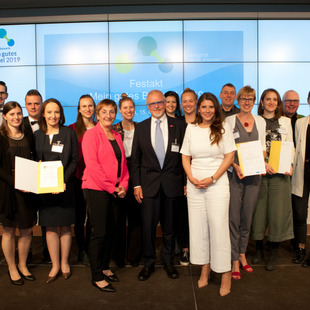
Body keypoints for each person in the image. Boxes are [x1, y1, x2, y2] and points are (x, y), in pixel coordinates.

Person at [181, 92, 235, 296]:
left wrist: (212, 178)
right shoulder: (191, 128)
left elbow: (229, 156)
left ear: (216, 108)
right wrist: (192, 178)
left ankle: (225, 272)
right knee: (198, 228)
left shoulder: (223, 127)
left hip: (217, 183)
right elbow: (185, 157)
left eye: (211, 107)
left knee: (218, 227)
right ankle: (205, 267)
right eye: (203, 107)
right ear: (198, 108)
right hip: (195, 185)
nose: (207, 110)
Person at [131, 90, 186, 281]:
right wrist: (136, 185)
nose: (156, 106)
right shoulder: (141, 128)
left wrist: (186, 182)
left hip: (173, 185)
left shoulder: (179, 125)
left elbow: (186, 157)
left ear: (165, 103)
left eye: (159, 102)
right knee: (148, 227)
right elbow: (135, 160)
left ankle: (169, 262)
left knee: (170, 228)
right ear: (147, 107)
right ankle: (148, 264)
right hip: (148, 187)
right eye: (152, 104)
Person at [82, 99, 129, 292]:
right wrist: (112, 188)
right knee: (99, 232)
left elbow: (123, 165)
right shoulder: (91, 135)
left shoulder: (117, 135)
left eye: (111, 112)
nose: (108, 115)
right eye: (104, 112)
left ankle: (104, 266)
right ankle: (96, 276)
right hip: (96, 189)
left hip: (115, 189)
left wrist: (124, 185)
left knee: (111, 231)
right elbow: (93, 167)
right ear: (98, 114)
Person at [34, 98, 78, 284]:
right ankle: (54, 265)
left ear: (61, 114)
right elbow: (34, 160)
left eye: (57, 112)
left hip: (64, 186)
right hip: (45, 189)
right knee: (50, 227)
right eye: (49, 112)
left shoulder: (69, 133)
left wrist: (63, 179)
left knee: (65, 226)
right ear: (43, 113)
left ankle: (65, 262)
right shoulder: (37, 135)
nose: (53, 116)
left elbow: (74, 160)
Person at [226, 86, 266, 280]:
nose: (247, 102)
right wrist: (235, 165)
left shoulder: (260, 121)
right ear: (238, 100)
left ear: (254, 101)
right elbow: (225, 150)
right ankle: (233, 258)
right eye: (243, 98)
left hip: (254, 177)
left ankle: (242, 254)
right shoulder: (229, 121)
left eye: (250, 98)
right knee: (233, 217)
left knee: (247, 217)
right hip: (235, 175)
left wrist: (263, 162)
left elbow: (263, 149)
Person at [251, 88, 294, 271]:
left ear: (278, 103)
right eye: (267, 99)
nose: (271, 102)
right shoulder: (255, 120)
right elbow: (253, 145)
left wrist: (289, 164)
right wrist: (262, 163)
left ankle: (274, 252)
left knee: (277, 214)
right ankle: (259, 249)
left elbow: (290, 144)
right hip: (260, 173)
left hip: (280, 174)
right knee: (259, 213)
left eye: (274, 99)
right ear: (261, 102)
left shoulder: (286, 121)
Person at [0, 101, 37, 285]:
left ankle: (22, 265)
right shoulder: (0, 137)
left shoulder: (28, 134)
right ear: (5, 116)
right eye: (11, 114)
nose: (15, 117)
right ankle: (12, 267)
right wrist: (16, 182)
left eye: (18, 113)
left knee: (27, 230)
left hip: (27, 189)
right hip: (8, 191)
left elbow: (34, 158)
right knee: (8, 231)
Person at [112, 93, 142, 268]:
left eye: (131, 107)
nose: (129, 110)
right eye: (125, 108)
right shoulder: (114, 129)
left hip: (137, 173)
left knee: (136, 218)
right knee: (118, 218)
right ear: (120, 110)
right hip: (118, 175)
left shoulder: (141, 128)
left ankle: (134, 256)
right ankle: (118, 257)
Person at [69, 95, 96, 265]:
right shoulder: (72, 129)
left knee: (93, 216)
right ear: (79, 109)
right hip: (78, 178)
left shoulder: (101, 127)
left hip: (95, 179)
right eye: (84, 106)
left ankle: (92, 247)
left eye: (90, 106)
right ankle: (82, 249)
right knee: (79, 217)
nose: (87, 109)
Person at [23, 89, 50, 263]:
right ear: (25, 105)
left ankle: (49, 252)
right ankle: (28, 253)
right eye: (30, 103)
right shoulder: (18, 122)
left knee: (47, 215)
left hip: (47, 175)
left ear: (41, 104)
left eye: (37, 103)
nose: (33, 107)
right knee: (27, 217)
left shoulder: (49, 122)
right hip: (26, 176)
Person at [164, 90, 190, 266]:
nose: (171, 105)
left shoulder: (181, 124)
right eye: (168, 102)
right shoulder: (155, 124)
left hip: (180, 177)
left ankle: (185, 249)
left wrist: (185, 181)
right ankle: (168, 249)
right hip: (161, 180)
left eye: (174, 102)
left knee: (181, 216)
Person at [291, 91, 310, 267]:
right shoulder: (300, 123)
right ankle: (301, 249)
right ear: (308, 100)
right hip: (302, 171)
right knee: (300, 213)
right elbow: (295, 148)